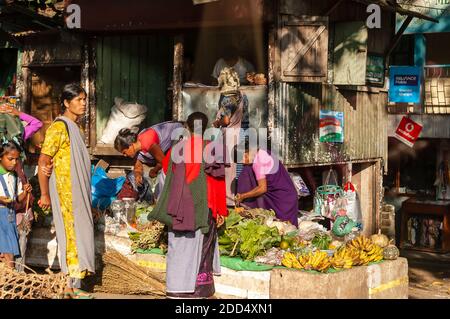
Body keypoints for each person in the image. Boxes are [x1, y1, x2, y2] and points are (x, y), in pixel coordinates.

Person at [150, 112, 227, 298]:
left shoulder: (177, 148)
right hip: (204, 208)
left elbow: (166, 176)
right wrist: (221, 210)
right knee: (201, 250)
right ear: (207, 127)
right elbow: (217, 183)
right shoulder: (211, 149)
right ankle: (199, 290)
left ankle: (176, 289)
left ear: (187, 127)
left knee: (179, 247)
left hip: (179, 207)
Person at [37, 83, 95, 299]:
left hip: (78, 193)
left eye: (84, 99)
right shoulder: (59, 128)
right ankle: (68, 287)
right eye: (79, 99)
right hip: (65, 192)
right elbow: (44, 160)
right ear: (66, 102)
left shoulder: (76, 128)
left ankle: (74, 283)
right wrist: (44, 194)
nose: (83, 103)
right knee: (69, 237)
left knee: (79, 235)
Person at [0, 103, 44, 271]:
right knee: (19, 241)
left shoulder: (17, 139)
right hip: (15, 204)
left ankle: (13, 279)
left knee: (15, 240)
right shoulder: (19, 136)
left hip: (17, 201)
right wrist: (18, 113)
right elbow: (37, 123)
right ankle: (15, 277)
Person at [235, 141, 299, 226]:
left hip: (282, 201)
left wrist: (243, 196)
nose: (243, 162)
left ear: (247, 152)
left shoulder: (258, 163)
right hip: (288, 196)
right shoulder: (263, 152)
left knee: (286, 230)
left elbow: (262, 188)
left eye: (242, 158)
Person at [114, 121, 184, 198]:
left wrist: (154, 171)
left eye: (124, 152)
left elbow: (164, 162)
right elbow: (138, 167)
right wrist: (138, 175)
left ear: (131, 145)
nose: (125, 155)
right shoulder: (136, 150)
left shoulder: (148, 142)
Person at [213, 67, 249, 206]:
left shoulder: (227, 99)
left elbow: (226, 120)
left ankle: (228, 201)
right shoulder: (242, 95)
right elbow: (244, 116)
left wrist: (217, 122)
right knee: (236, 169)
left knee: (227, 169)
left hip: (228, 135)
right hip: (239, 133)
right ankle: (234, 198)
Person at [0, 141, 32, 268]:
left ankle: (10, 273)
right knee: (8, 247)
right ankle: (10, 272)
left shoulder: (15, 177)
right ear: (0, 157)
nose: (14, 162)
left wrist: (25, 192)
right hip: (1, 215)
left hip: (10, 216)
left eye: (16, 159)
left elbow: (17, 199)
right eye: (10, 159)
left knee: (11, 246)